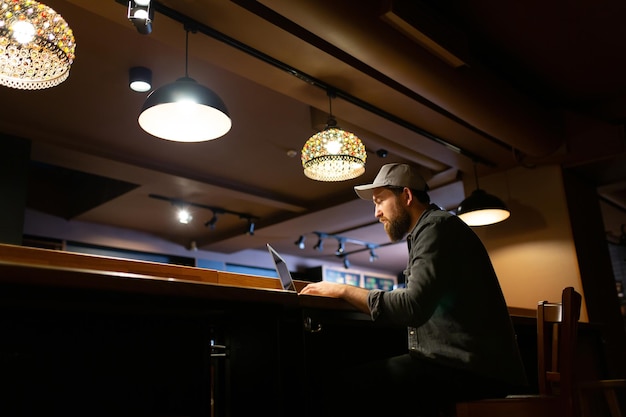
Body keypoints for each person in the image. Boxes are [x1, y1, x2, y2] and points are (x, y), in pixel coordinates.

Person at [300, 163, 527, 417]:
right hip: (472, 366)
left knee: (340, 387)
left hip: (473, 371)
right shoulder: (433, 228)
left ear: (407, 196)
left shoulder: (435, 227)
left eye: (380, 201)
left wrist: (342, 290)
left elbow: (412, 306)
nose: (376, 213)